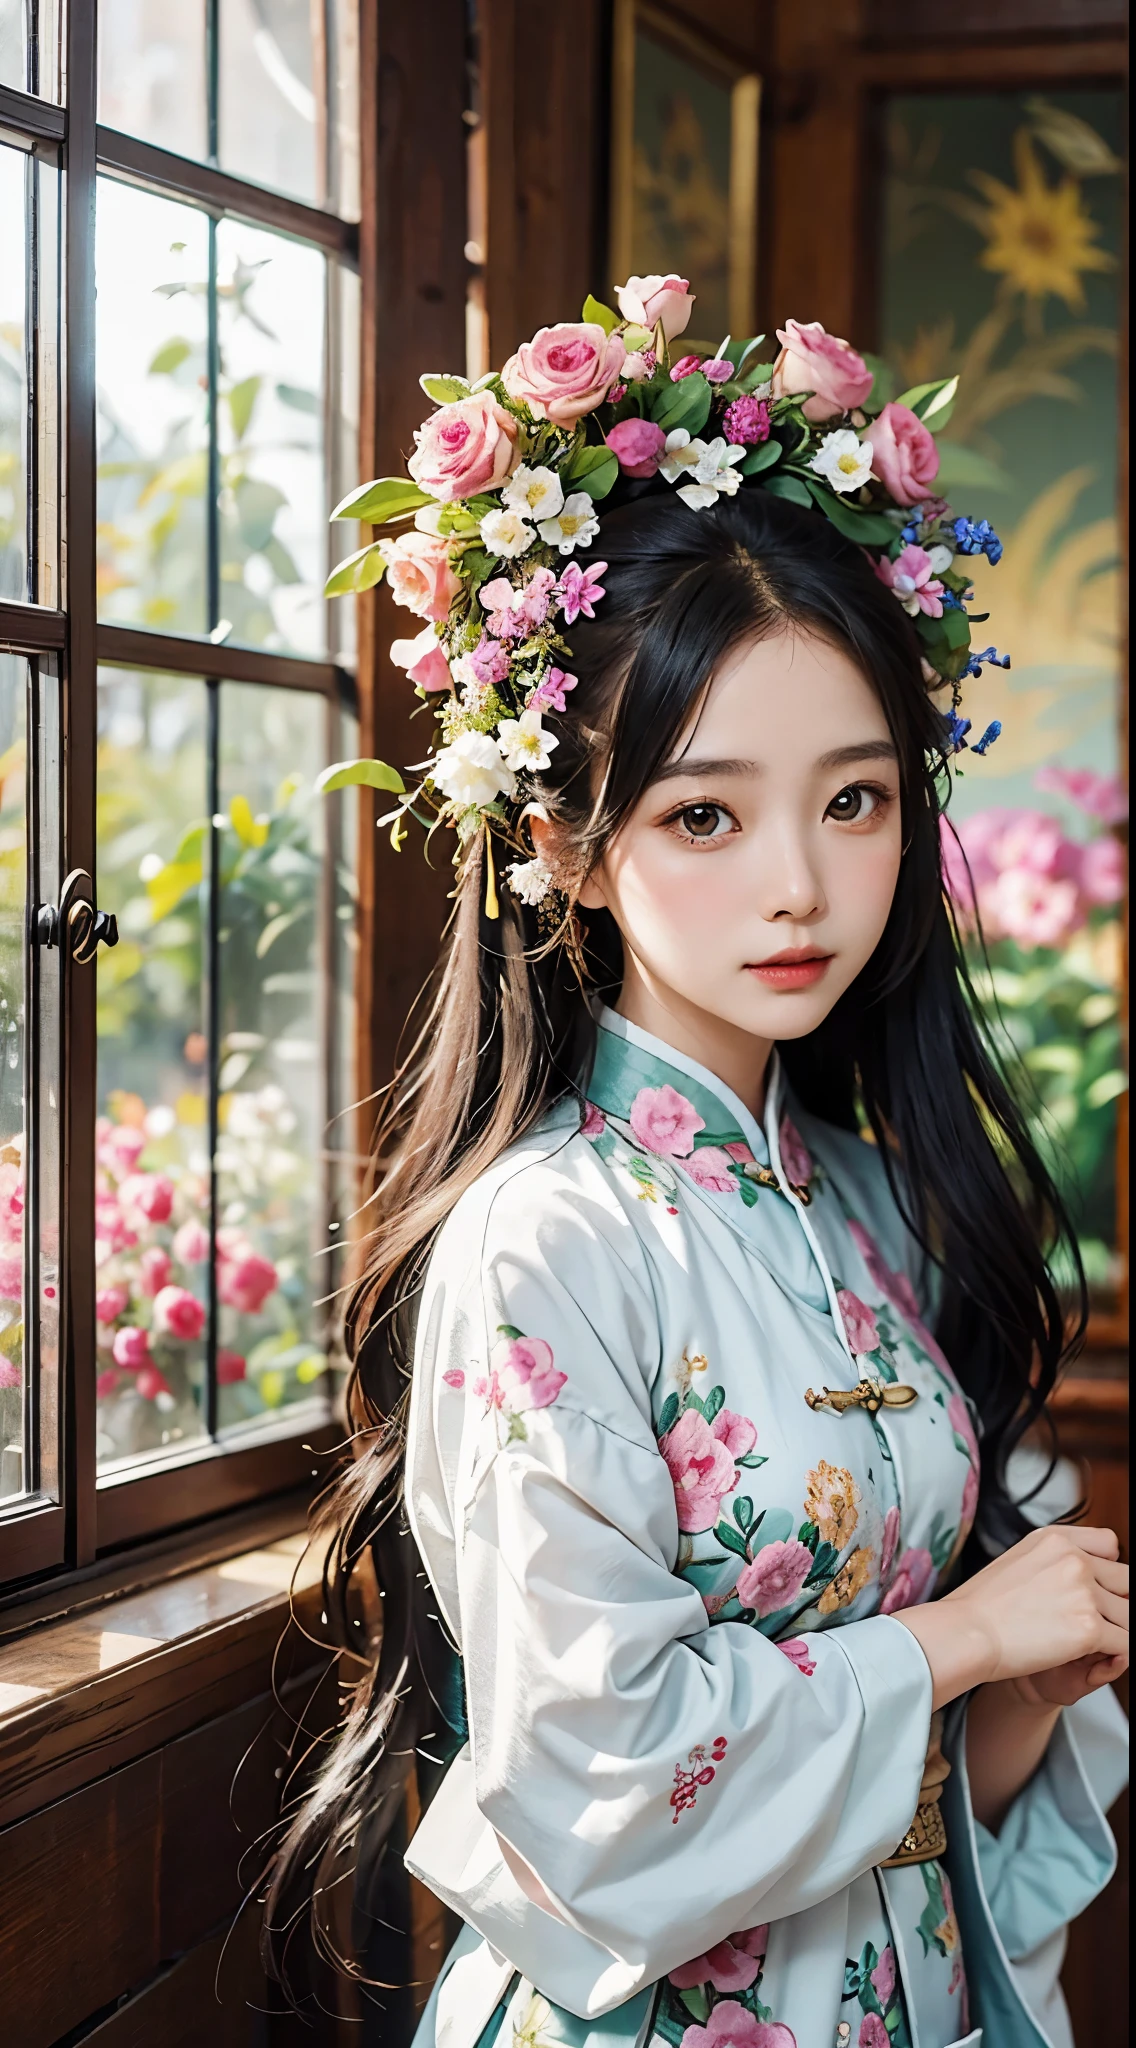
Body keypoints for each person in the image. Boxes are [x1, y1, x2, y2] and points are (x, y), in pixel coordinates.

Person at [269, 283, 1128, 2048]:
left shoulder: (890, 1206)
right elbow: (598, 1781)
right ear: (570, 846)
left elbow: (937, 1770)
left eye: (857, 799)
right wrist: (956, 1645)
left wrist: (1022, 1686)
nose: (798, 886)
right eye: (706, 814)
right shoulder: (543, 1241)